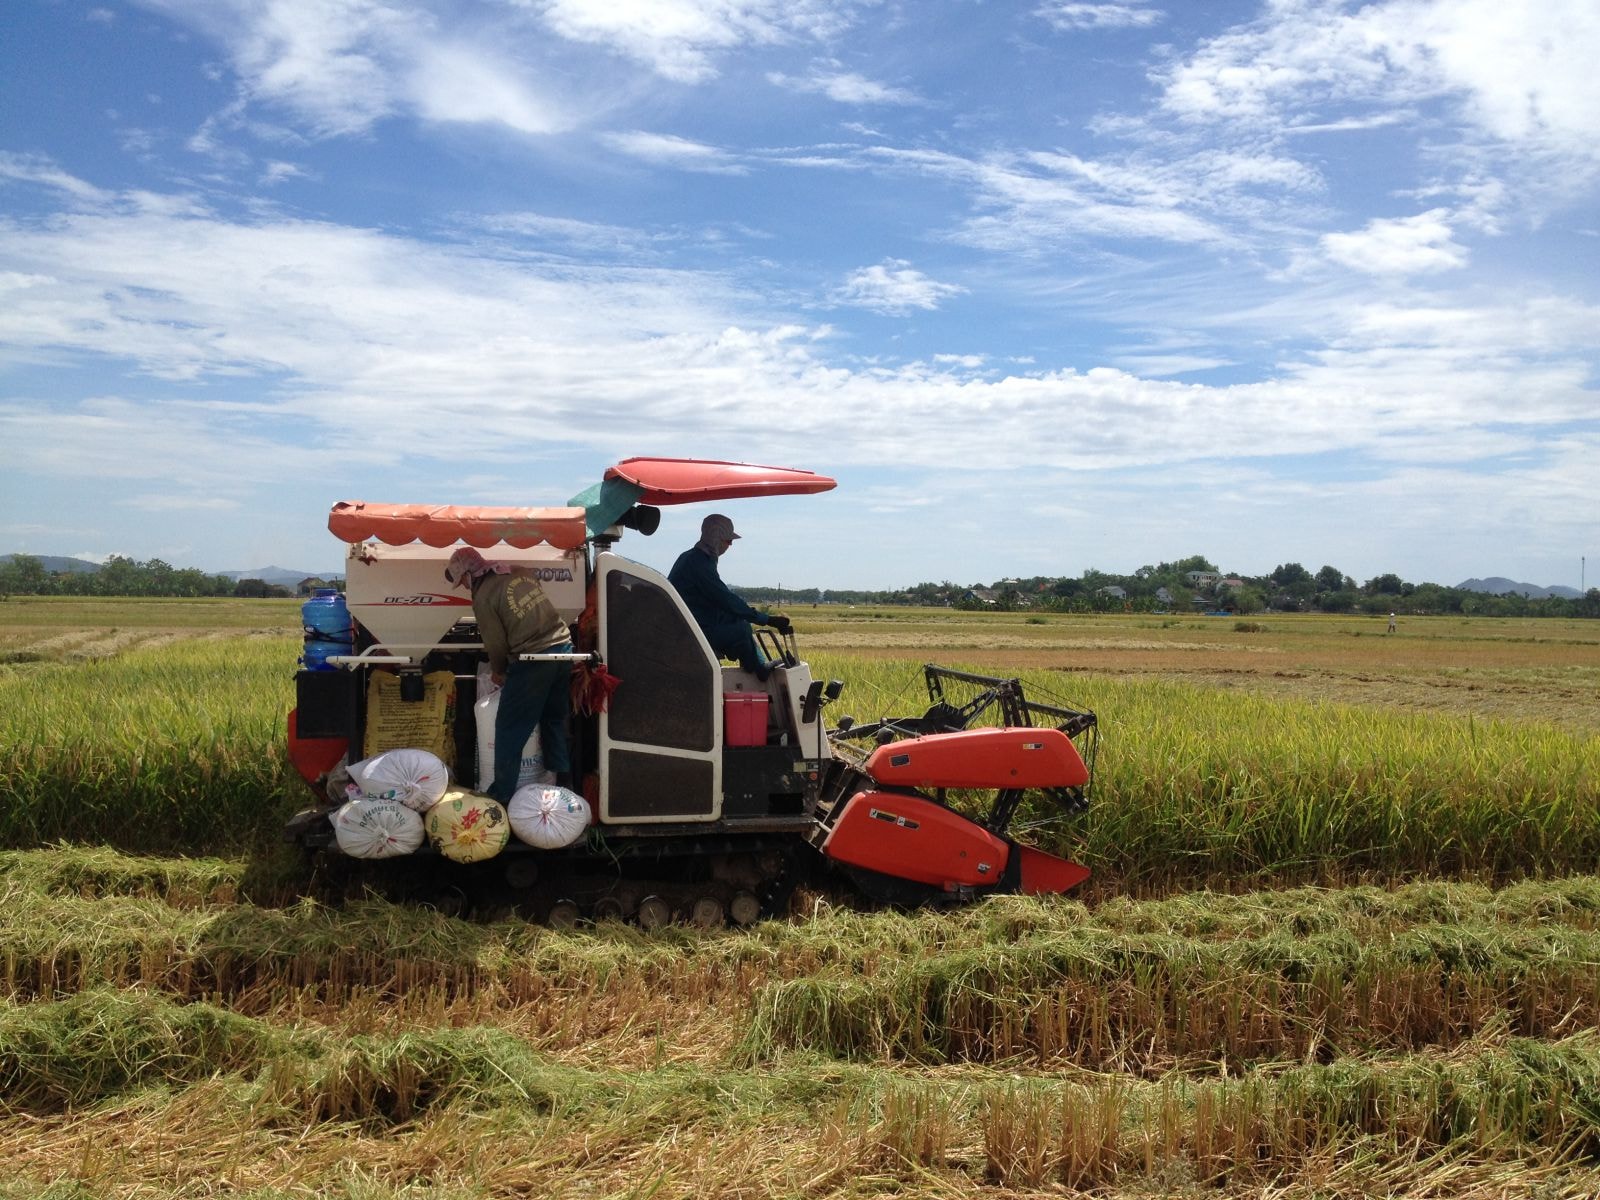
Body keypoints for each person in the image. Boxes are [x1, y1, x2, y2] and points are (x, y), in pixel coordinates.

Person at [444, 547, 572, 801]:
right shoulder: (517, 571)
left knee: (508, 728)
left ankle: (501, 795)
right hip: (564, 649)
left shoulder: (483, 595)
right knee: (553, 719)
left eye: (462, 581)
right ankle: (563, 785)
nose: (463, 586)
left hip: (533, 658)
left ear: (469, 574)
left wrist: (499, 672)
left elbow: (495, 643)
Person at [668, 513, 791, 680]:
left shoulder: (691, 557)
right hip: (692, 632)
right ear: (716, 538)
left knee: (737, 620)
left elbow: (722, 602)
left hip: (690, 625)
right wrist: (768, 620)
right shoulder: (699, 564)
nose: (730, 545)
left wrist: (749, 615)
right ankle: (759, 671)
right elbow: (726, 599)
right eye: (728, 540)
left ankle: (757, 665)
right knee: (741, 629)